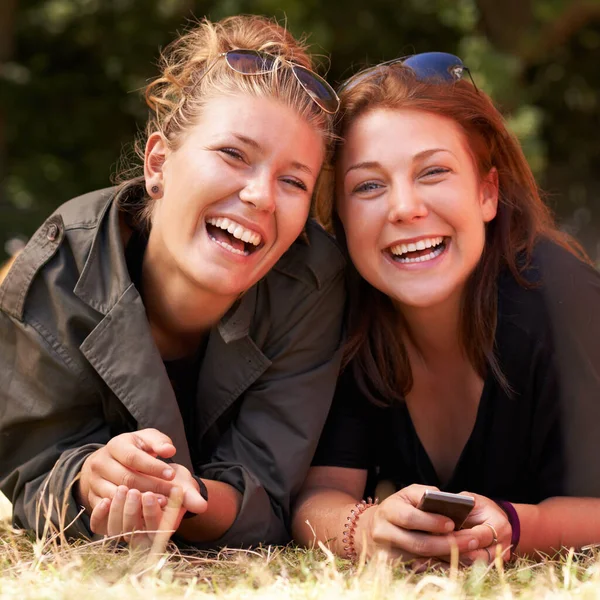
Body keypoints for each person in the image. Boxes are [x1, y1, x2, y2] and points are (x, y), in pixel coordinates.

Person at [0, 15, 345, 549]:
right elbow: (32, 472)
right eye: (234, 154)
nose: (261, 196)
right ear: (158, 163)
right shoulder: (59, 270)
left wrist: (184, 501)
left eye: (294, 180)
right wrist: (90, 483)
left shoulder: (313, 284)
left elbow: (271, 488)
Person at [292, 52, 600, 565]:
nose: (403, 207)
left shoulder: (565, 300)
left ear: (487, 193)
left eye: (433, 172)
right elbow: (317, 493)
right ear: (341, 219)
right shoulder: (347, 308)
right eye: (368, 185)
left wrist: (519, 527)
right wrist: (367, 527)